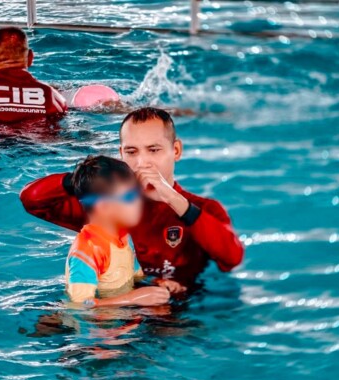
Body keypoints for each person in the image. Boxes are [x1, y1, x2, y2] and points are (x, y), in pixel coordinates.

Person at [20, 107, 244, 286]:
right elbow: (32, 200)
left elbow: (231, 258)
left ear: (175, 151)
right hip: (114, 309)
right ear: (121, 154)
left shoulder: (203, 208)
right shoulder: (104, 207)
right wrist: (88, 178)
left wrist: (174, 199)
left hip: (180, 312)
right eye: (131, 152)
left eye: (153, 150)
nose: (141, 163)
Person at [65, 155, 184, 307]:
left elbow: (134, 276)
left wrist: (157, 283)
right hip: (98, 320)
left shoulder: (123, 236)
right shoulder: (88, 248)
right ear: (103, 207)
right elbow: (80, 305)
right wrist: (131, 299)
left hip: (121, 311)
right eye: (129, 197)